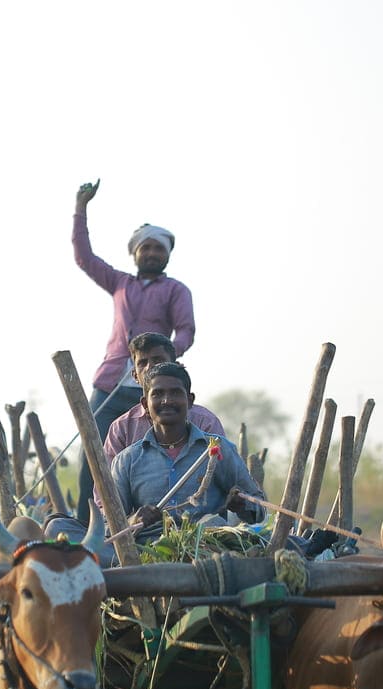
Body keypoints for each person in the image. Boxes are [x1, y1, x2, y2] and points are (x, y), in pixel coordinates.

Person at [73, 179, 195, 523]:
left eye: (159, 249)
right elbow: (84, 258)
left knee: (146, 455)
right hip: (112, 383)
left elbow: (186, 330)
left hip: (154, 386)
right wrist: (81, 207)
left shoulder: (175, 290)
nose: (152, 253)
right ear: (136, 252)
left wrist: (166, 358)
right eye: (147, 248)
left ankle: (141, 524)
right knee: (94, 455)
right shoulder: (120, 283)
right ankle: (89, 526)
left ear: (166, 254)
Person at [111, 362, 264, 543]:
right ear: (145, 403)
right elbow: (108, 528)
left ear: (190, 400)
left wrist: (242, 505)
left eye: (175, 393)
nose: (166, 400)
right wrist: (133, 521)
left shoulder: (216, 449)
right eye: (157, 394)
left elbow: (259, 512)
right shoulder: (127, 461)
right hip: (148, 559)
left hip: (208, 553)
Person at [103, 333, 225, 461]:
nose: (150, 367)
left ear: (176, 367)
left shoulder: (205, 422)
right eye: (142, 363)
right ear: (134, 375)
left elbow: (224, 473)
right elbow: (109, 480)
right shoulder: (122, 428)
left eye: (158, 360)